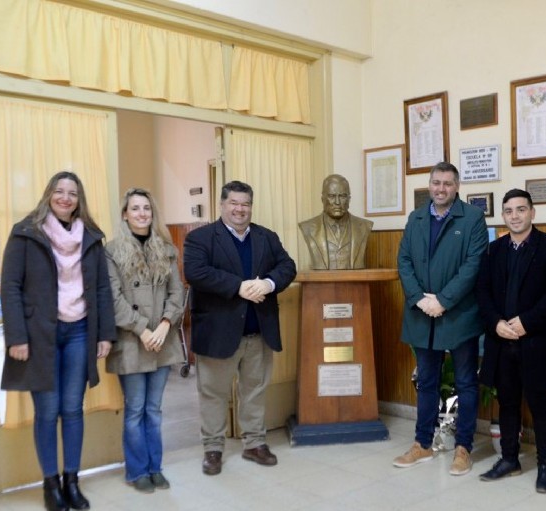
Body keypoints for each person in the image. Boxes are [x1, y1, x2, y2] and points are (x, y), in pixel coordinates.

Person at [0, 171, 116, 511]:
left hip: (80, 332)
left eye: (73, 193)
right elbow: (10, 287)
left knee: (73, 410)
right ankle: (50, 483)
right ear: (49, 194)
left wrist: (105, 334)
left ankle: (72, 480)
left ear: (80, 200)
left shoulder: (92, 237)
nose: (66, 198)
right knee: (47, 412)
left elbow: (101, 290)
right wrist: (17, 337)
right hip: (40, 336)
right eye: (60, 191)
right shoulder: (26, 233)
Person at [184, 180, 296, 476]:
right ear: (222, 205)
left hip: (258, 331)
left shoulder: (266, 237)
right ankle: (213, 448)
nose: (240, 209)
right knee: (213, 394)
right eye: (233, 203)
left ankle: (254, 443)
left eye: (245, 204)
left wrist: (268, 283)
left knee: (254, 391)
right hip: (218, 333)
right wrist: (239, 287)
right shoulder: (202, 238)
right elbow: (195, 273)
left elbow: (287, 267)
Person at [394, 161, 488, 475]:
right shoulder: (416, 217)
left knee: (465, 382)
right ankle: (422, 445)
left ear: (456, 186)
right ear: (430, 184)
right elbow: (404, 259)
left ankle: (463, 449)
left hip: (459, 314)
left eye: (447, 183)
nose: (441, 189)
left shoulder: (472, 218)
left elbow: (474, 264)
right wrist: (420, 298)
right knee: (427, 381)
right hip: (423, 314)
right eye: (436, 182)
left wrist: (444, 301)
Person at [476, 189, 546, 491]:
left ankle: (545, 465)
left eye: (520, 209)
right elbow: (483, 293)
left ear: (532, 212)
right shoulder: (493, 250)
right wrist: (497, 323)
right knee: (507, 403)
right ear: (503, 216)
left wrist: (526, 322)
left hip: (535, 340)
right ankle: (510, 459)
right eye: (509, 211)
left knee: (539, 404)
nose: (515, 216)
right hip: (501, 340)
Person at [106, 188, 185, 493]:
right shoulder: (111, 252)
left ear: (153, 214)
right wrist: (142, 329)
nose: (141, 214)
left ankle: (155, 467)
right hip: (132, 341)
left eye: (146, 209)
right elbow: (114, 300)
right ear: (125, 214)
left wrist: (165, 324)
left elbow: (177, 293)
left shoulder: (167, 250)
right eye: (135, 208)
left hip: (162, 340)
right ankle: (137, 470)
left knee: (154, 409)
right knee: (136, 409)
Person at [298, 174, 373, 269]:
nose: (337, 202)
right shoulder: (308, 227)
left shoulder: (364, 226)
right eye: (332, 196)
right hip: (321, 282)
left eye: (342, 196)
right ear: (322, 199)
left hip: (355, 281)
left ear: (349, 199)